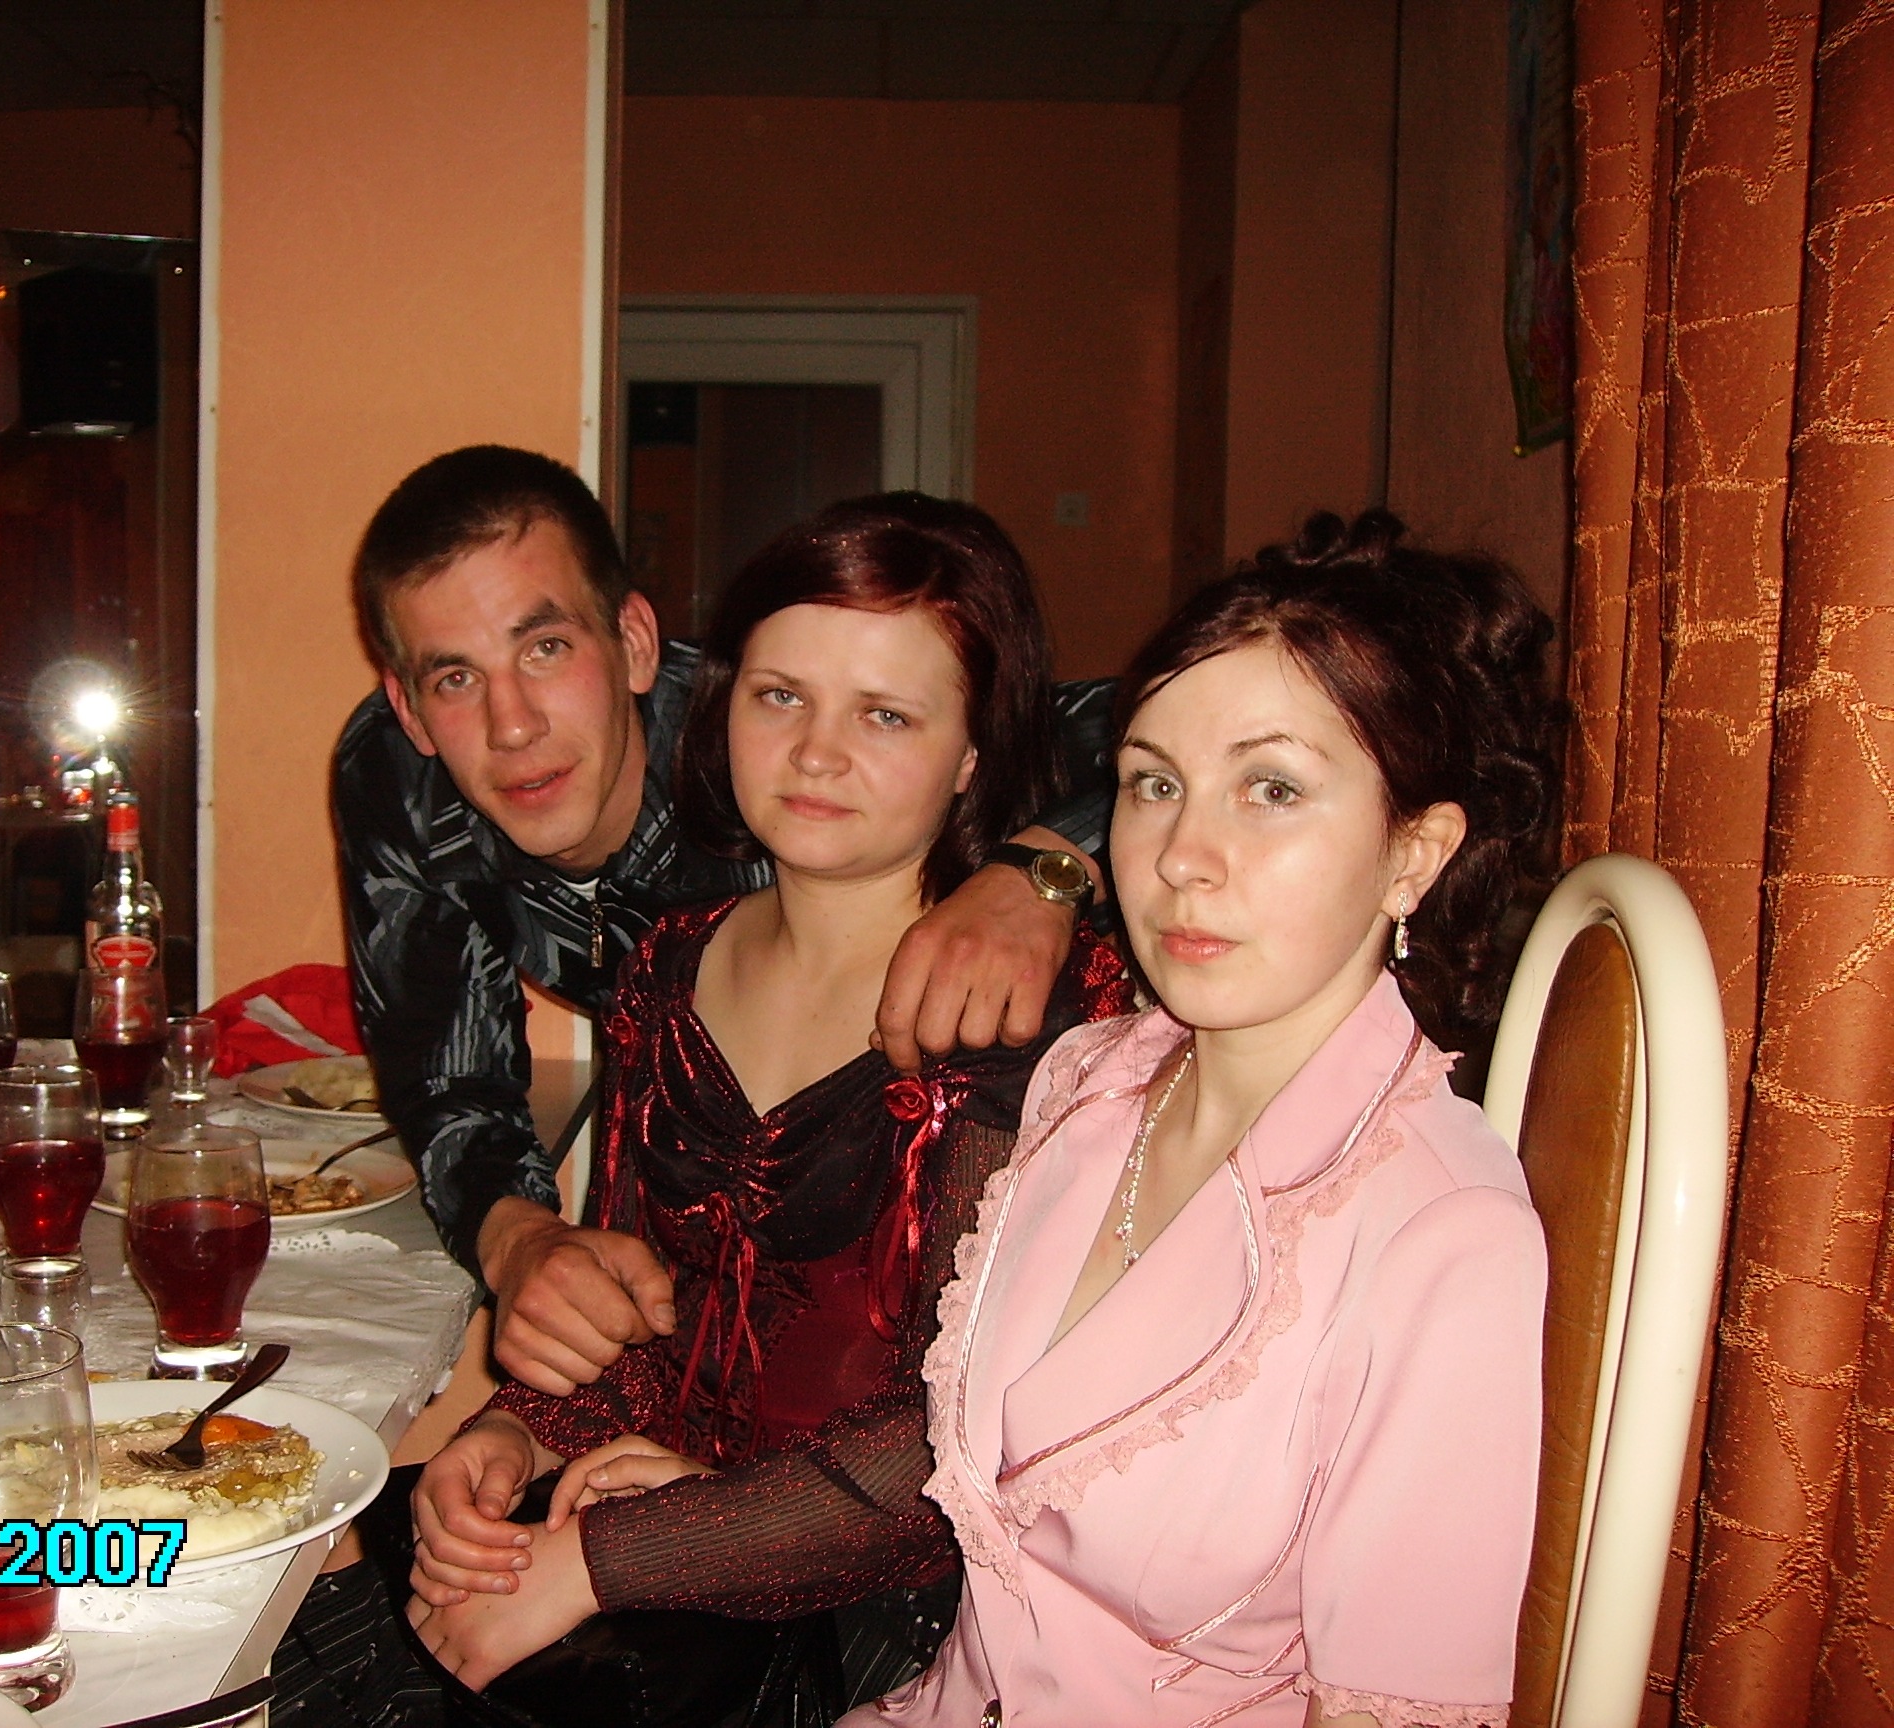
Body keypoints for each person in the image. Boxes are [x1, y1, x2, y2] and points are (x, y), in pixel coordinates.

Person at [283, 494, 1127, 1727]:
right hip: (656, 1551)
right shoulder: (668, 966)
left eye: (884, 714)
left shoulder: (1027, 1015)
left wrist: (609, 1558)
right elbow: (647, 1313)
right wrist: (515, 1437)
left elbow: (955, 1445)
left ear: (973, 755)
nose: (817, 753)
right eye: (781, 696)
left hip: (897, 1622)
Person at [849, 510, 1557, 1727]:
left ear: (1415, 855)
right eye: (1154, 783)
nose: (1183, 854)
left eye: (1271, 789)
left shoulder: (1446, 1242)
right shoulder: (1088, 1077)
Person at [333, 447, 1116, 1394]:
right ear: (409, 708)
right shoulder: (404, 782)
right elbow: (447, 1071)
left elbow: (1160, 725)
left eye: (546, 649)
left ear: (633, 642)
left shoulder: (772, 738)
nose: (513, 726)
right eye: (455, 678)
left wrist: (1042, 868)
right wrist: (522, 1241)